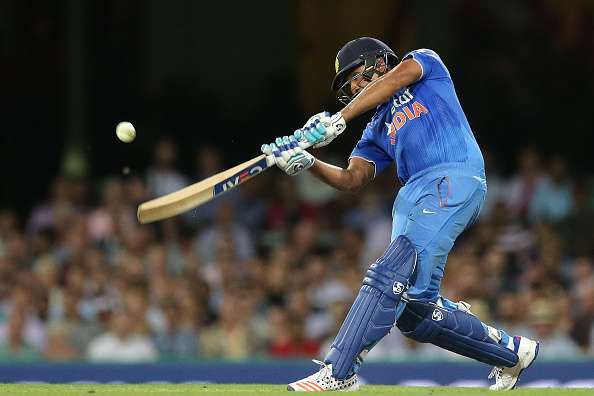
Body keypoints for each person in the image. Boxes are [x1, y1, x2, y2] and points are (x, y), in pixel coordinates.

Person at [261, 37, 539, 391]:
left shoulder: (423, 64)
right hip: (411, 198)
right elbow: (352, 178)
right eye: (350, 87)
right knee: (414, 313)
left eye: (357, 76)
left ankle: (339, 371)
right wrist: (308, 162)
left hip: (452, 176)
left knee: (392, 268)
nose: (356, 87)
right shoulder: (376, 126)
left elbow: (400, 76)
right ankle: (512, 354)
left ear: (378, 61)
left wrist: (338, 120)